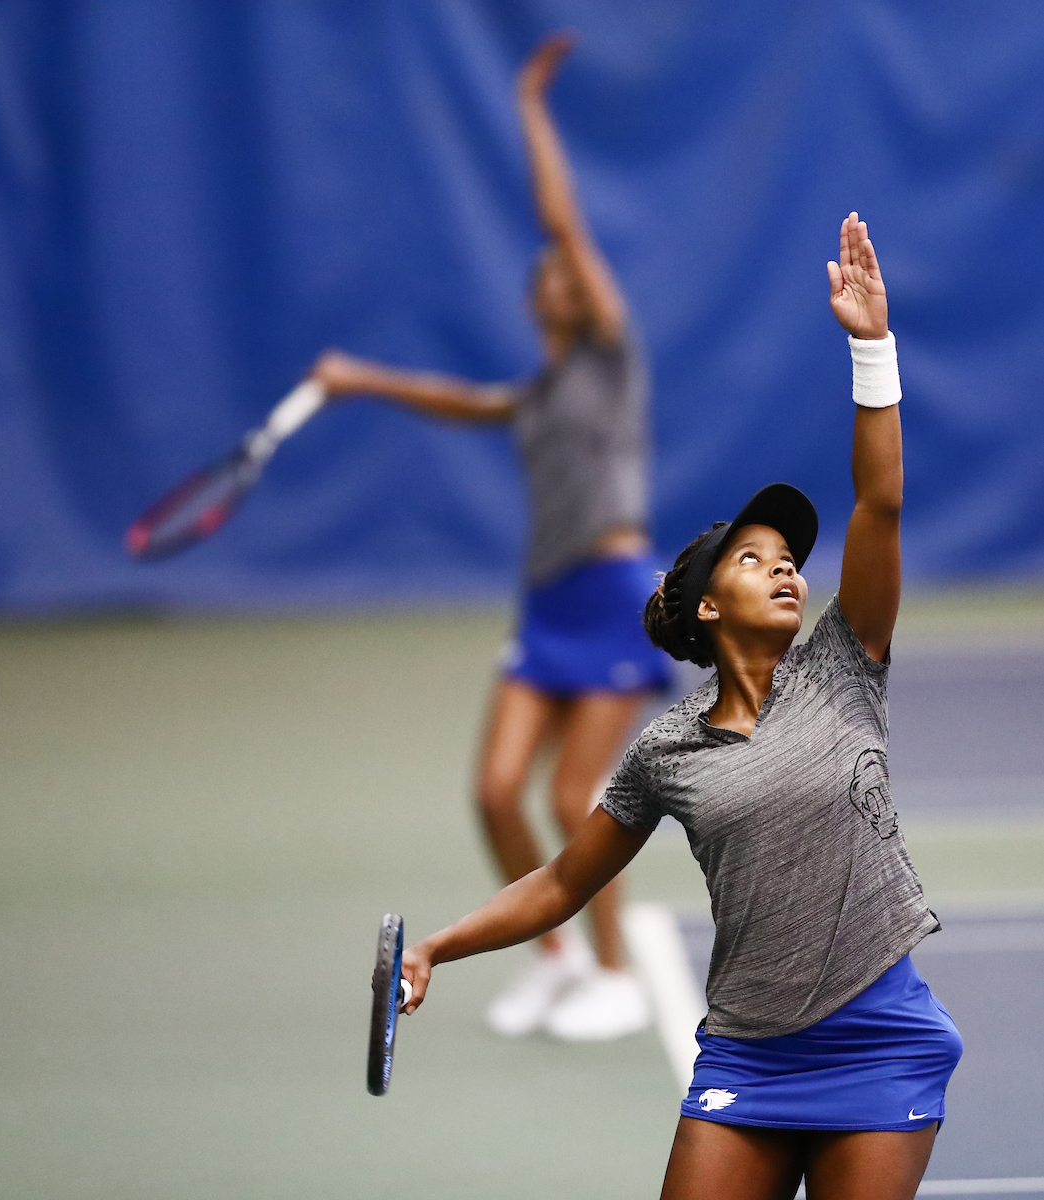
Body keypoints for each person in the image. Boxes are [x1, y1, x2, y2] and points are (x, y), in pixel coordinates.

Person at [398, 213, 963, 1199]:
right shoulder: (665, 750)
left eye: (788, 561)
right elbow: (561, 881)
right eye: (755, 559)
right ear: (708, 606)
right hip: (747, 1053)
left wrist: (871, 348)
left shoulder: (845, 663)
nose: (785, 570)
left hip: (879, 1038)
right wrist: (442, 946)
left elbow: (879, 503)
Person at [315, 34, 668, 1041]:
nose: (564, 271)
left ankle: (616, 976)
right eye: (549, 271)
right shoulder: (534, 396)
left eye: (573, 268)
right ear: (533, 300)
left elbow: (562, 220)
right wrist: (360, 379)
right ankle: (556, 959)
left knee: (573, 796)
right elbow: (456, 398)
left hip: (613, 595)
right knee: (493, 790)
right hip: (547, 603)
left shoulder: (611, 358)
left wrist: (529, 110)